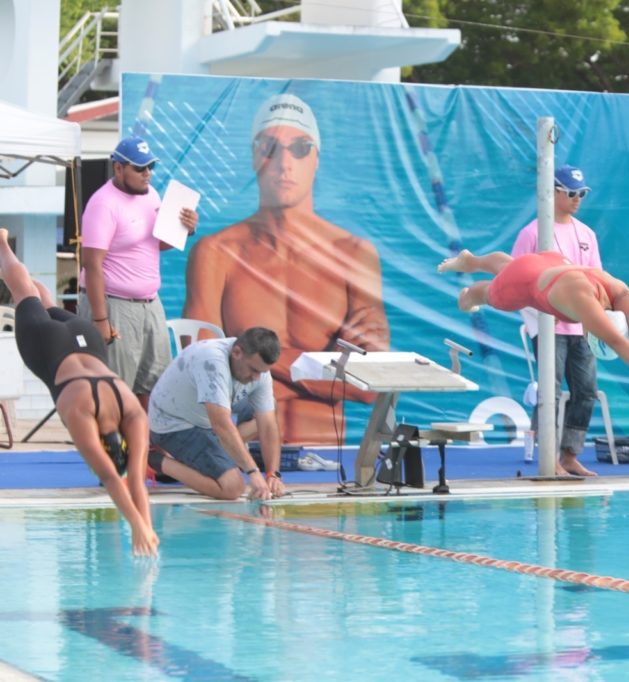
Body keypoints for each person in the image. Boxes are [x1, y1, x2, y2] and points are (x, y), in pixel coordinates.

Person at [183, 93, 389, 443]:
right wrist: (321, 370)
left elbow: (368, 381)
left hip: (327, 452)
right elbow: (202, 369)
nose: (284, 163)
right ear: (254, 156)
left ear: (316, 158)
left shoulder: (354, 255)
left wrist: (254, 355)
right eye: (270, 147)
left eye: (300, 148)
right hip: (245, 449)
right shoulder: (217, 253)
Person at [0, 228, 158, 555]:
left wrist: (145, 527)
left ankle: (11, 257)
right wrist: (136, 526)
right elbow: (114, 479)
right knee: (22, 291)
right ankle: (1, 243)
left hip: (86, 338)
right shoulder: (80, 413)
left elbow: (135, 480)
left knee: (42, 300)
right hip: (48, 346)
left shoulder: (133, 413)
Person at [437, 249, 629, 411]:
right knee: (488, 295)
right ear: (592, 332)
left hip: (553, 261)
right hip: (526, 279)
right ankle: (469, 293)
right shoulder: (585, 303)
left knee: (509, 267)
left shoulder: (621, 293)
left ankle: (472, 261)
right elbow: (618, 342)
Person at [79, 136, 199, 408]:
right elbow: (92, 264)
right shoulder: (103, 205)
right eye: (140, 168)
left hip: (150, 303)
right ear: (118, 168)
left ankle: (146, 435)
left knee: (155, 384)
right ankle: (115, 437)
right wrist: (100, 319)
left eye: (150, 167)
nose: (148, 174)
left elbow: (157, 243)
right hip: (115, 304)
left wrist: (186, 229)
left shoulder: (151, 195)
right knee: (116, 389)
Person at [511, 165, 603, 476]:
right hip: (548, 325)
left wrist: (595, 318)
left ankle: (569, 455)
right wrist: (537, 317)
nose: (578, 199)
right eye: (572, 193)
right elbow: (515, 278)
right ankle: (547, 456)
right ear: (553, 192)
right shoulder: (532, 233)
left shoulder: (586, 234)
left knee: (586, 390)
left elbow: (596, 280)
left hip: (581, 326)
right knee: (549, 392)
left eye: (582, 193)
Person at [147, 327, 286, 501]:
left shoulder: (256, 369)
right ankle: (152, 460)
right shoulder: (212, 362)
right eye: (253, 370)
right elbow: (221, 425)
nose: (256, 377)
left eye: (262, 372)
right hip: (173, 424)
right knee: (232, 488)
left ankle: (222, 449)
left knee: (270, 406)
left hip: (204, 417)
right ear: (236, 352)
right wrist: (253, 472)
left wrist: (273, 474)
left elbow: (267, 424)